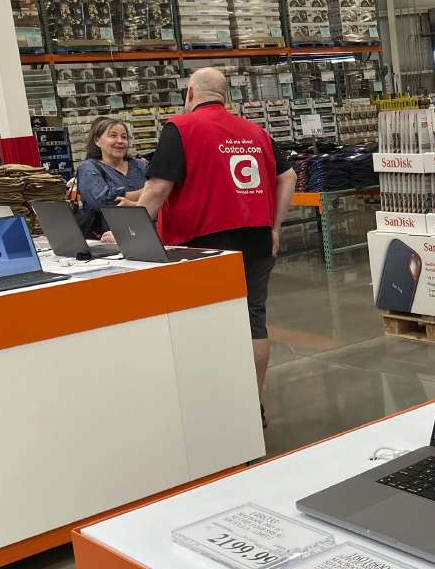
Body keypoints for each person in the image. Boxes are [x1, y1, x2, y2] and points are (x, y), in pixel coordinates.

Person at [125, 67, 297, 422]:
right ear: (226, 96)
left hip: (203, 243)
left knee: (204, 324)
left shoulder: (181, 128)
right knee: (253, 320)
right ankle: (254, 405)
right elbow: (289, 176)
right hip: (256, 238)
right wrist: (275, 227)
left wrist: (128, 235)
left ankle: (214, 406)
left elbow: (157, 190)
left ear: (190, 94)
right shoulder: (256, 131)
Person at [77, 117, 147, 238]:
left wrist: (130, 200)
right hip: (109, 238)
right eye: (113, 136)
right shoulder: (89, 168)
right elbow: (102, 201)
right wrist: (147, 192)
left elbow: (163, 196)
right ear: (97, 140)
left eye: (124, 137)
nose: (120, 141)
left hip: (147, 232)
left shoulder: (140, 165)